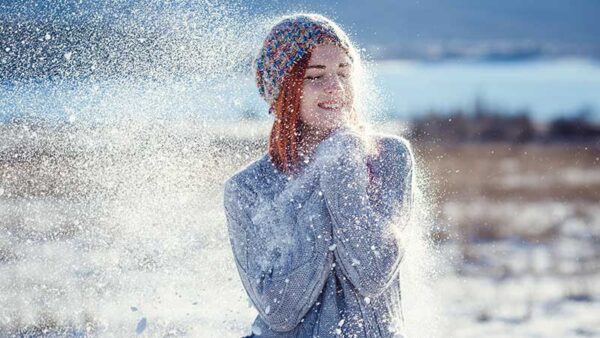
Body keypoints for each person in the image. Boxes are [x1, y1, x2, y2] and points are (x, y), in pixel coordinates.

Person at [223, 13, 414, 338]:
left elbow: (373, 273)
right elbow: (278, 311)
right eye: (315, 76)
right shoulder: (247, 188)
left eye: (343, 72)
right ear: (283, 90)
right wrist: (320, 188)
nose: (335, 87)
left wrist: (342, 172)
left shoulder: (389, 158)